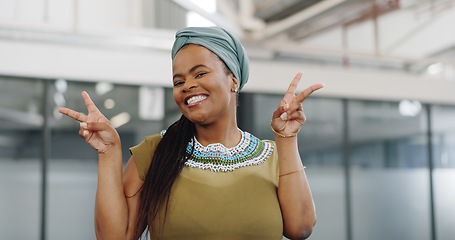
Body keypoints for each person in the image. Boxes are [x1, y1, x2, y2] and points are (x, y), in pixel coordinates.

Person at [59, 26, 323, 240]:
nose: (188, 85)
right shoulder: (155, 152)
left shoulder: (274, 156)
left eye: (200, 73)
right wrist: (108, 153)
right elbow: (115, 237)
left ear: (233, 79)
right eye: (179, 81)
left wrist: (287, 138)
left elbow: (300, 229)